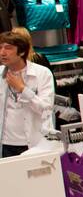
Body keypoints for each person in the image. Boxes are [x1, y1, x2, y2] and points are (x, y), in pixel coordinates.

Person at [0, 29, 54, 157]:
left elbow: (46, 109)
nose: (2, 52)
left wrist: (23, 89)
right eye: (0, 47)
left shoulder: (42, 73)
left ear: (22, 52)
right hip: (6, 143)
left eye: (8, 48)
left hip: (35, 142)